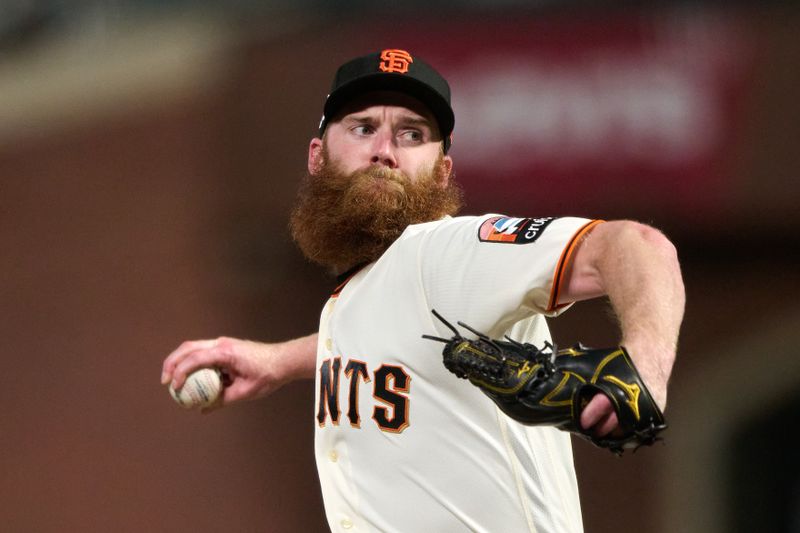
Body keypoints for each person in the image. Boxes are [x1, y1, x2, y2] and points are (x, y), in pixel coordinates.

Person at [161, 48, 685, 532]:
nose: (385, 150)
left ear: (442, 174)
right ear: (317, 157)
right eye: (363, 127)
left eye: (412, 134)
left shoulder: (443, 254)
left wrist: (645, 365)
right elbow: (385, 342)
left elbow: (635, 245)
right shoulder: (364, 294)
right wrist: (279, 361)